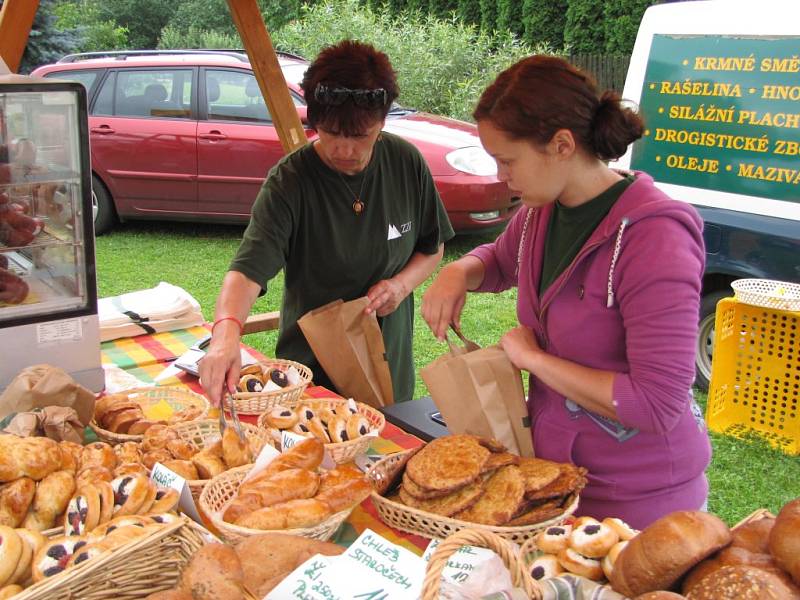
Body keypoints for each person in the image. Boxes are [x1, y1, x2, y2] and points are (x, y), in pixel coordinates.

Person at [421, 55, 711, 529]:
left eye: (508, 160)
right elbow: (499, 259)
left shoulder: (656, 237)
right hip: (558, 479)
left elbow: (656, 402)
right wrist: (460, 272)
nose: (501, 176)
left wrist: (533, 360)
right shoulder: (544, 210)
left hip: (639, 500)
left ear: (561, 145)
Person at [200, 40, 454, 406]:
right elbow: (248, 270)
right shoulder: (291, 181)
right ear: (315, 120)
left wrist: (399, 287)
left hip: (388, 369)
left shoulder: (405, 163)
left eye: (360, 136)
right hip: (311, 377)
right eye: (332, 133)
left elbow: (432, 247)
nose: (345, 150)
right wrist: (226, 332)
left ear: (382, 122)